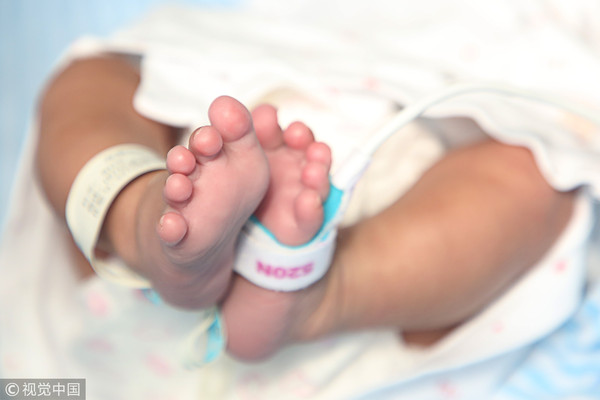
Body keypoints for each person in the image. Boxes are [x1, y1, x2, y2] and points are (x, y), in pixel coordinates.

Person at [2, 1, 599, 398]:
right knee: (95, 75)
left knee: (538, 175)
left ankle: (315, 291)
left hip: (419, 178)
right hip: (260, 73)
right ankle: (143, 218)